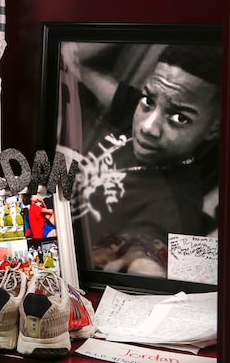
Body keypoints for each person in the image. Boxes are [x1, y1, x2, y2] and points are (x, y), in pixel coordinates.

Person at [61, 43, 221, 277]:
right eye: (148, 101)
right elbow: (71, 57)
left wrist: (144, 264)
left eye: (179, 117)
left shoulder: (177, 203)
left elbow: (147, 261)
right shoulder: (136, 107)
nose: (147, 127)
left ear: (214, 128)